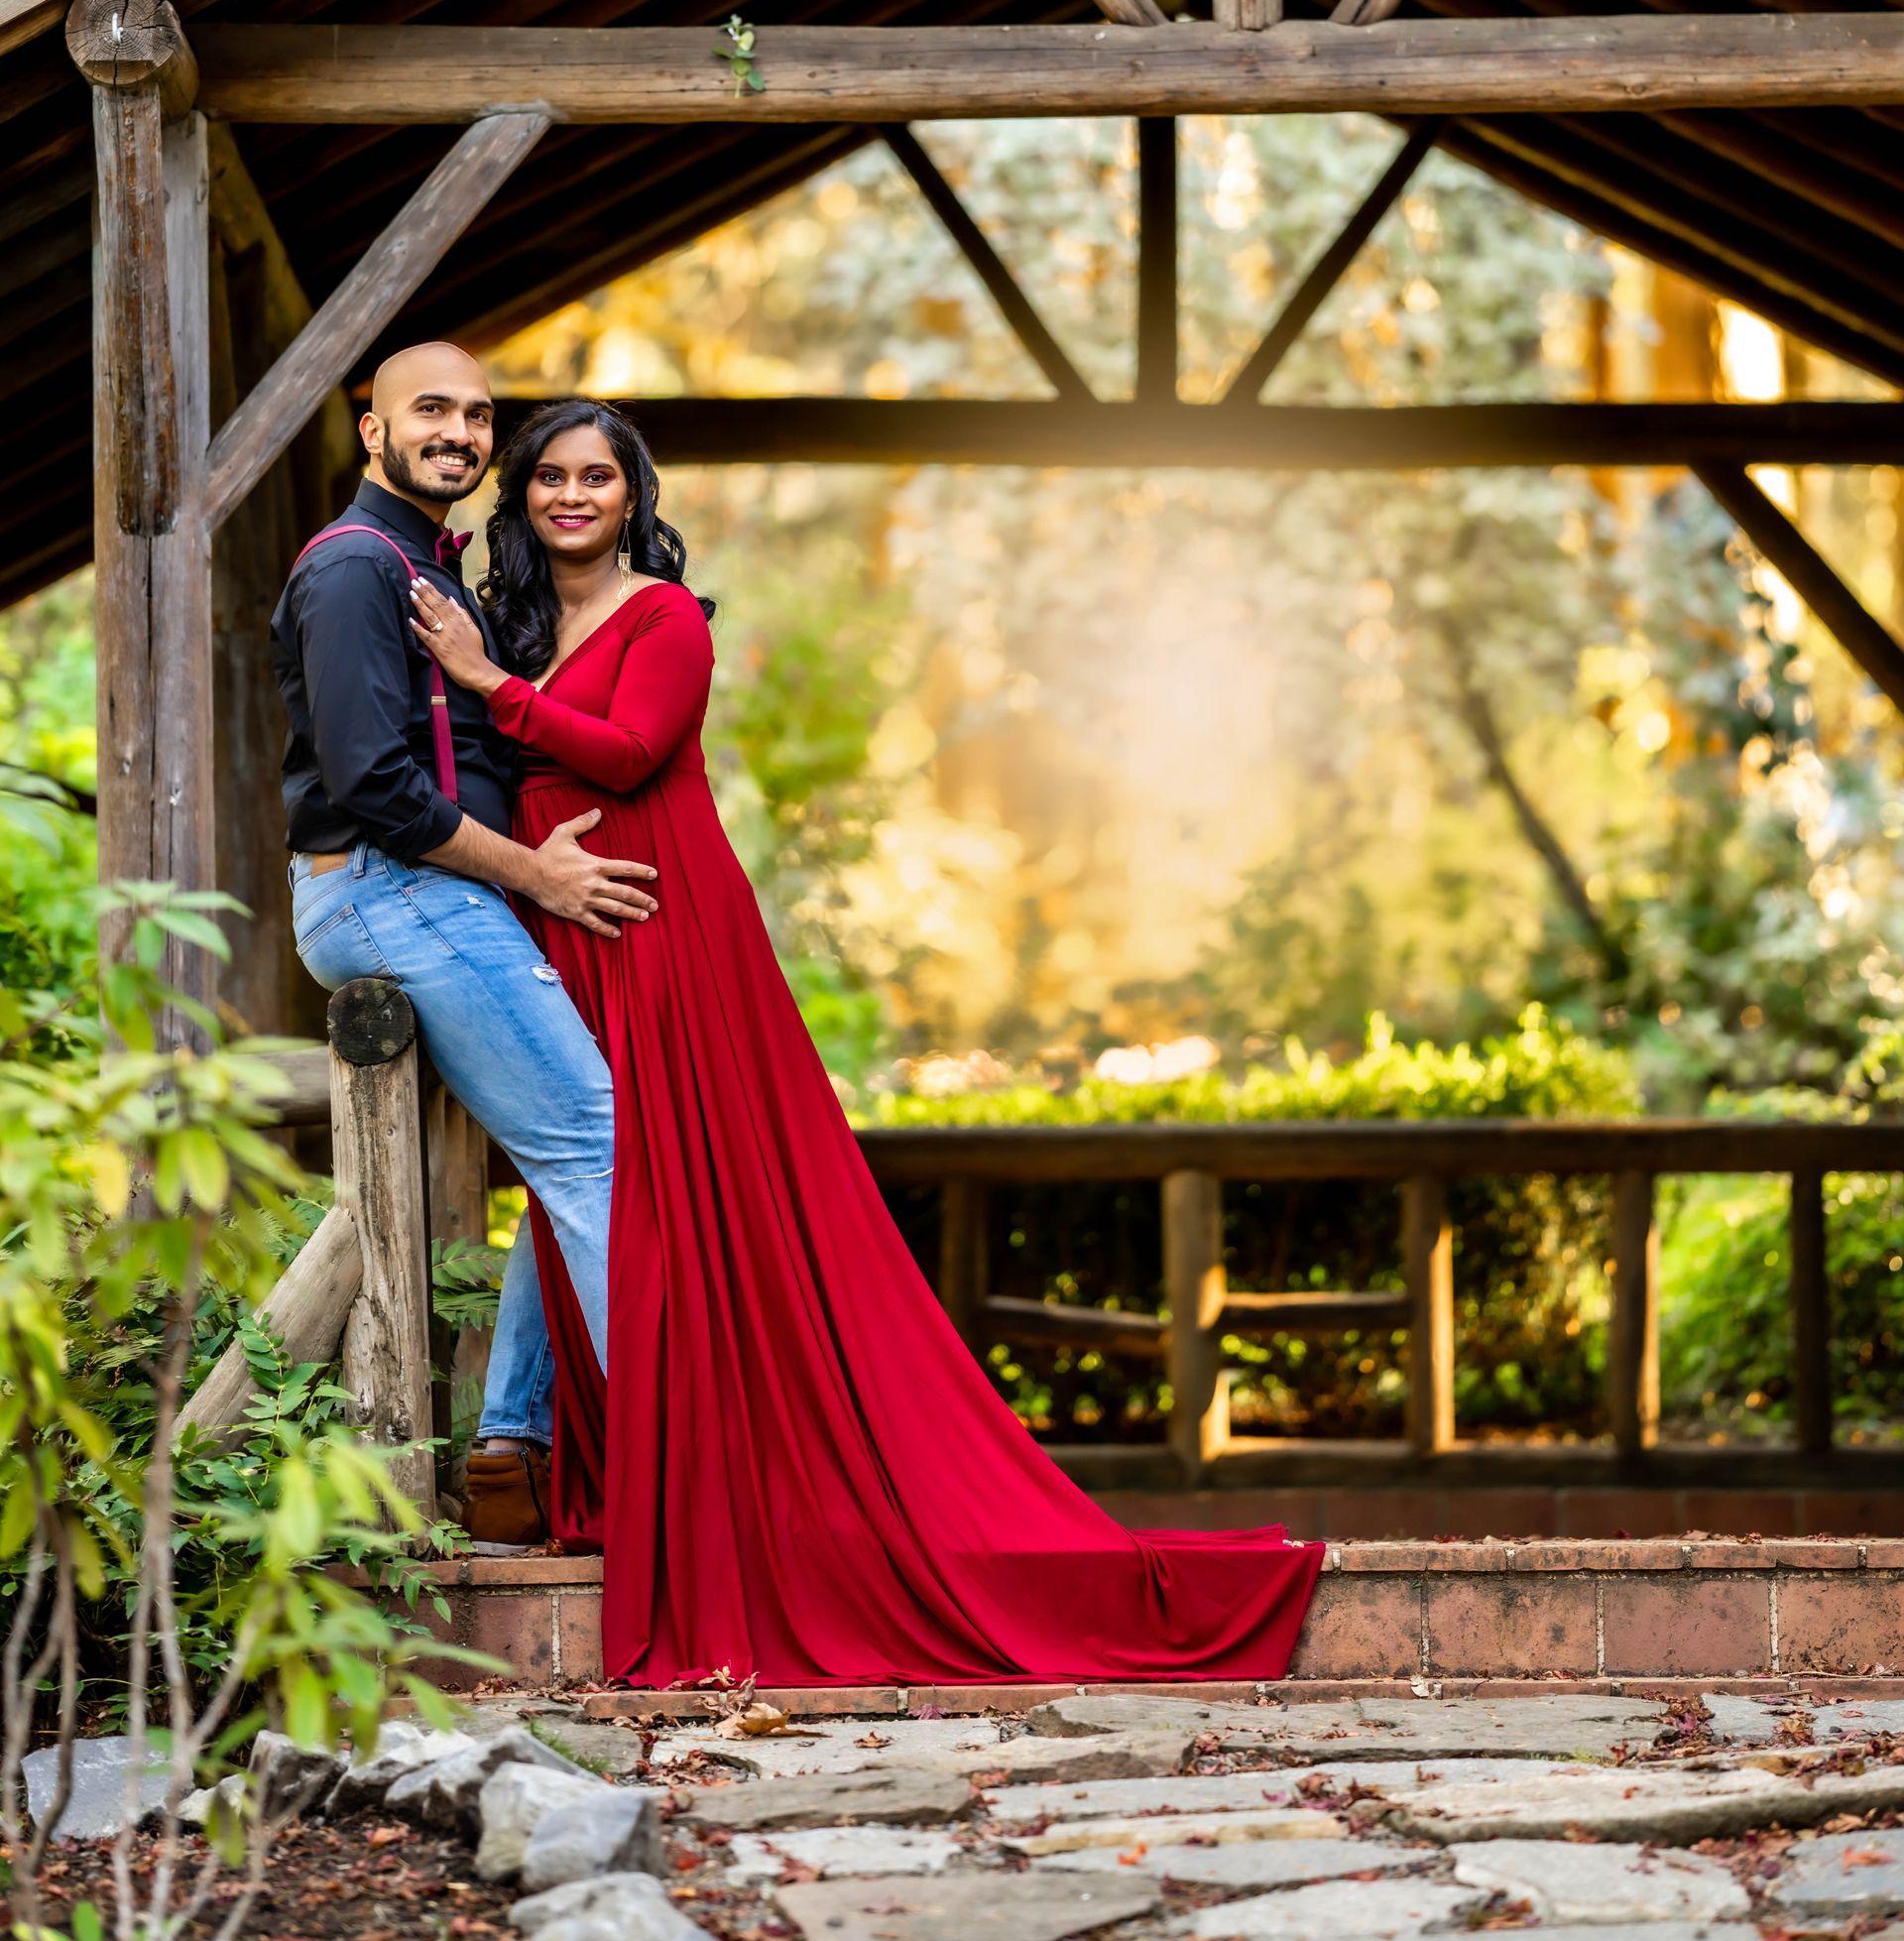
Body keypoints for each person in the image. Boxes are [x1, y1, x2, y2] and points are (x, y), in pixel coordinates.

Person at [410, 396, 1323, 1686]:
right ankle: (554, 1441)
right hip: (563, 919)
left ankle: (696, 1466)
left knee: (662, 1185)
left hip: (668, 927)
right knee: (582, 1175)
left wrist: (488, 687)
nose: (570, 496)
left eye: (596, 478)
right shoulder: (505, 618)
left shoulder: (665, 620)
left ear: (634, 497)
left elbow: (628, 755)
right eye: (550, 476)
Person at [272, 342, 655, 1549]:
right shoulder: (351, 571)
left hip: (428, 895)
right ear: (371, 428)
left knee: (567, 1154)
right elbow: (378, 787)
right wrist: (534, 871)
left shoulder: (434, 569)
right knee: (600, 1144)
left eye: (479, 415)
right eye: (430, 409)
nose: (460, 431)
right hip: (389, 889)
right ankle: (673, 1475)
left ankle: (510, 1447)